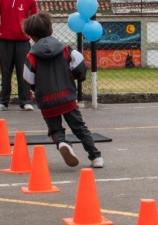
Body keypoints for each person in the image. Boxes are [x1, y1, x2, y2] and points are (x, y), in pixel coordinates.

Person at [21, 13, 103, 169]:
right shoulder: (65, 49)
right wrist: (77, 76)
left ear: (30, 36)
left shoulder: (31, 56)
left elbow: (28, 78)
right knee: (80, 127)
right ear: (51, 30)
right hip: (67, 97)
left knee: (55, 129)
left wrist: (37, 89)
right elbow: (79, 64)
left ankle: (63, 142)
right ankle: (95, 157)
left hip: (46, 100)